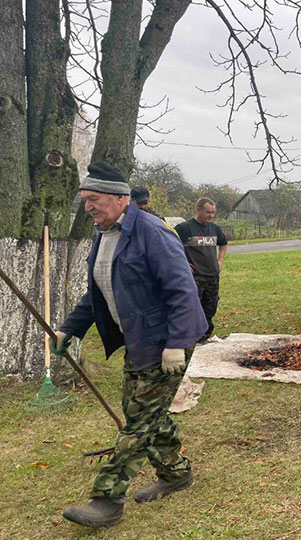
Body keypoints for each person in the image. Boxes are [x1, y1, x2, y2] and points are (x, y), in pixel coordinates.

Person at [52, 161, 207, 528]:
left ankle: (107, 500)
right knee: (146, 413)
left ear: (121, 199)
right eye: (84, 200)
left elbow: (183, 289)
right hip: (138, 340)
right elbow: (97, 292)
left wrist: (177, 343)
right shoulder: (104, 233)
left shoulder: (152, 231)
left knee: (138, 422)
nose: (88, 207)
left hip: (166, 341)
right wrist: (69, 330)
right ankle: (176, 473)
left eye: (95, 199)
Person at [175, 197, 228, 343]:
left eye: (213, 213)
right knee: (193, 308)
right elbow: (170, 247)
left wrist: (220, 260)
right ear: (198, 209)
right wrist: (183, 263)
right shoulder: (184, 228)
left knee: (210, 308)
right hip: (195, 277)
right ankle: (192, 337)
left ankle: (204, 335)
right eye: (208, 212)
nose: (211, 216)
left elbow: (223, 243)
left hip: (212, 276)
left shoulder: (214, 228)